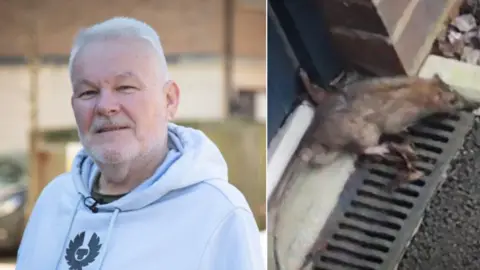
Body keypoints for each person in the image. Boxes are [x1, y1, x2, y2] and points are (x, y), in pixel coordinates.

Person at [16, 17, 265, 270]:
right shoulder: (54, 200)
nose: (105, 106)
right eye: (88, 92)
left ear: (169, 100)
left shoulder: (218, 214)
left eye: (125, 87)